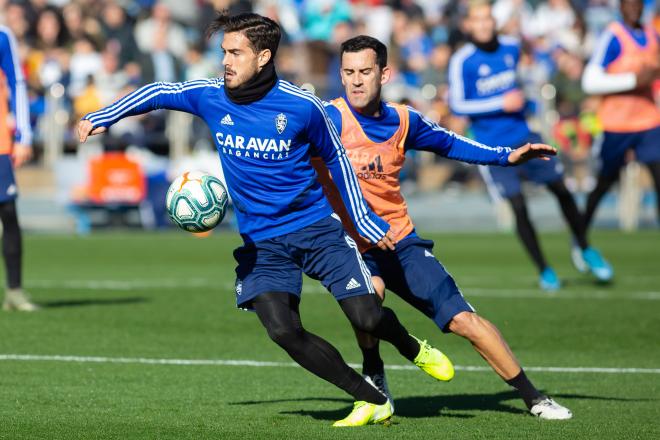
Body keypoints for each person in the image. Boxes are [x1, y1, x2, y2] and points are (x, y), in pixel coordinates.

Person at [78, 12, 455, 428]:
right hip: (263, 242)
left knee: (367, 317)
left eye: (235, 52)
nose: (226, 61)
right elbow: (160, 91)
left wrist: (363, 221)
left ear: (263, 57)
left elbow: (338, 162)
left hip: (317, 230)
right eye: (224, 52)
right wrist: (104, 115)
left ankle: (411, 347)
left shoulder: (302, 106)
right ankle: (371, 398)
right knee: (281, 330)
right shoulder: (210, 95)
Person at [313, 34, 572, 420]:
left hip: (399, 239)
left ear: (385, 73)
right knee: (369, 300)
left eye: (365, 71)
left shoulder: (404, 120)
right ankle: (375, 371)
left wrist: (506, 157)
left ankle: (534, 398)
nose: (355, 80)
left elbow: (452, 144)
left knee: (464, 321)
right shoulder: (326, 119)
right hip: (351, 244)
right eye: (348, 72)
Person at [448, 0, 613, 291]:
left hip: (524, 136)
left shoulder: (512, 47)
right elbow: (458, 103)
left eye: (488, 18)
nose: (485, 24)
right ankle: (545, 270)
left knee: (562, 189)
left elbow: (533, 71)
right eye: (478, 20)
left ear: (494, 21)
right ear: (468, 25)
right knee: (519, 206)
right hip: (491, 150)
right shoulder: (463, 60)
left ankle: (585, 246)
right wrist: (500, 102)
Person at [581, 0, 660, 228]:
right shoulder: (613, 36)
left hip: (648, 120)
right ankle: (581, 235)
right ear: (620, 7)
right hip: (617, 124)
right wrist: (633, 80)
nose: (634, 8)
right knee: (606, 181)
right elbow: (590, 81)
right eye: (628, 3)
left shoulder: (652, 35)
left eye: (637, 3)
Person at [0, 25, 36, 311]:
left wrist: (23, 134)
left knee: (8, 212)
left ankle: (14, 291)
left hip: (0, 139)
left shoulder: (3, 35)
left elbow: (17, 82)